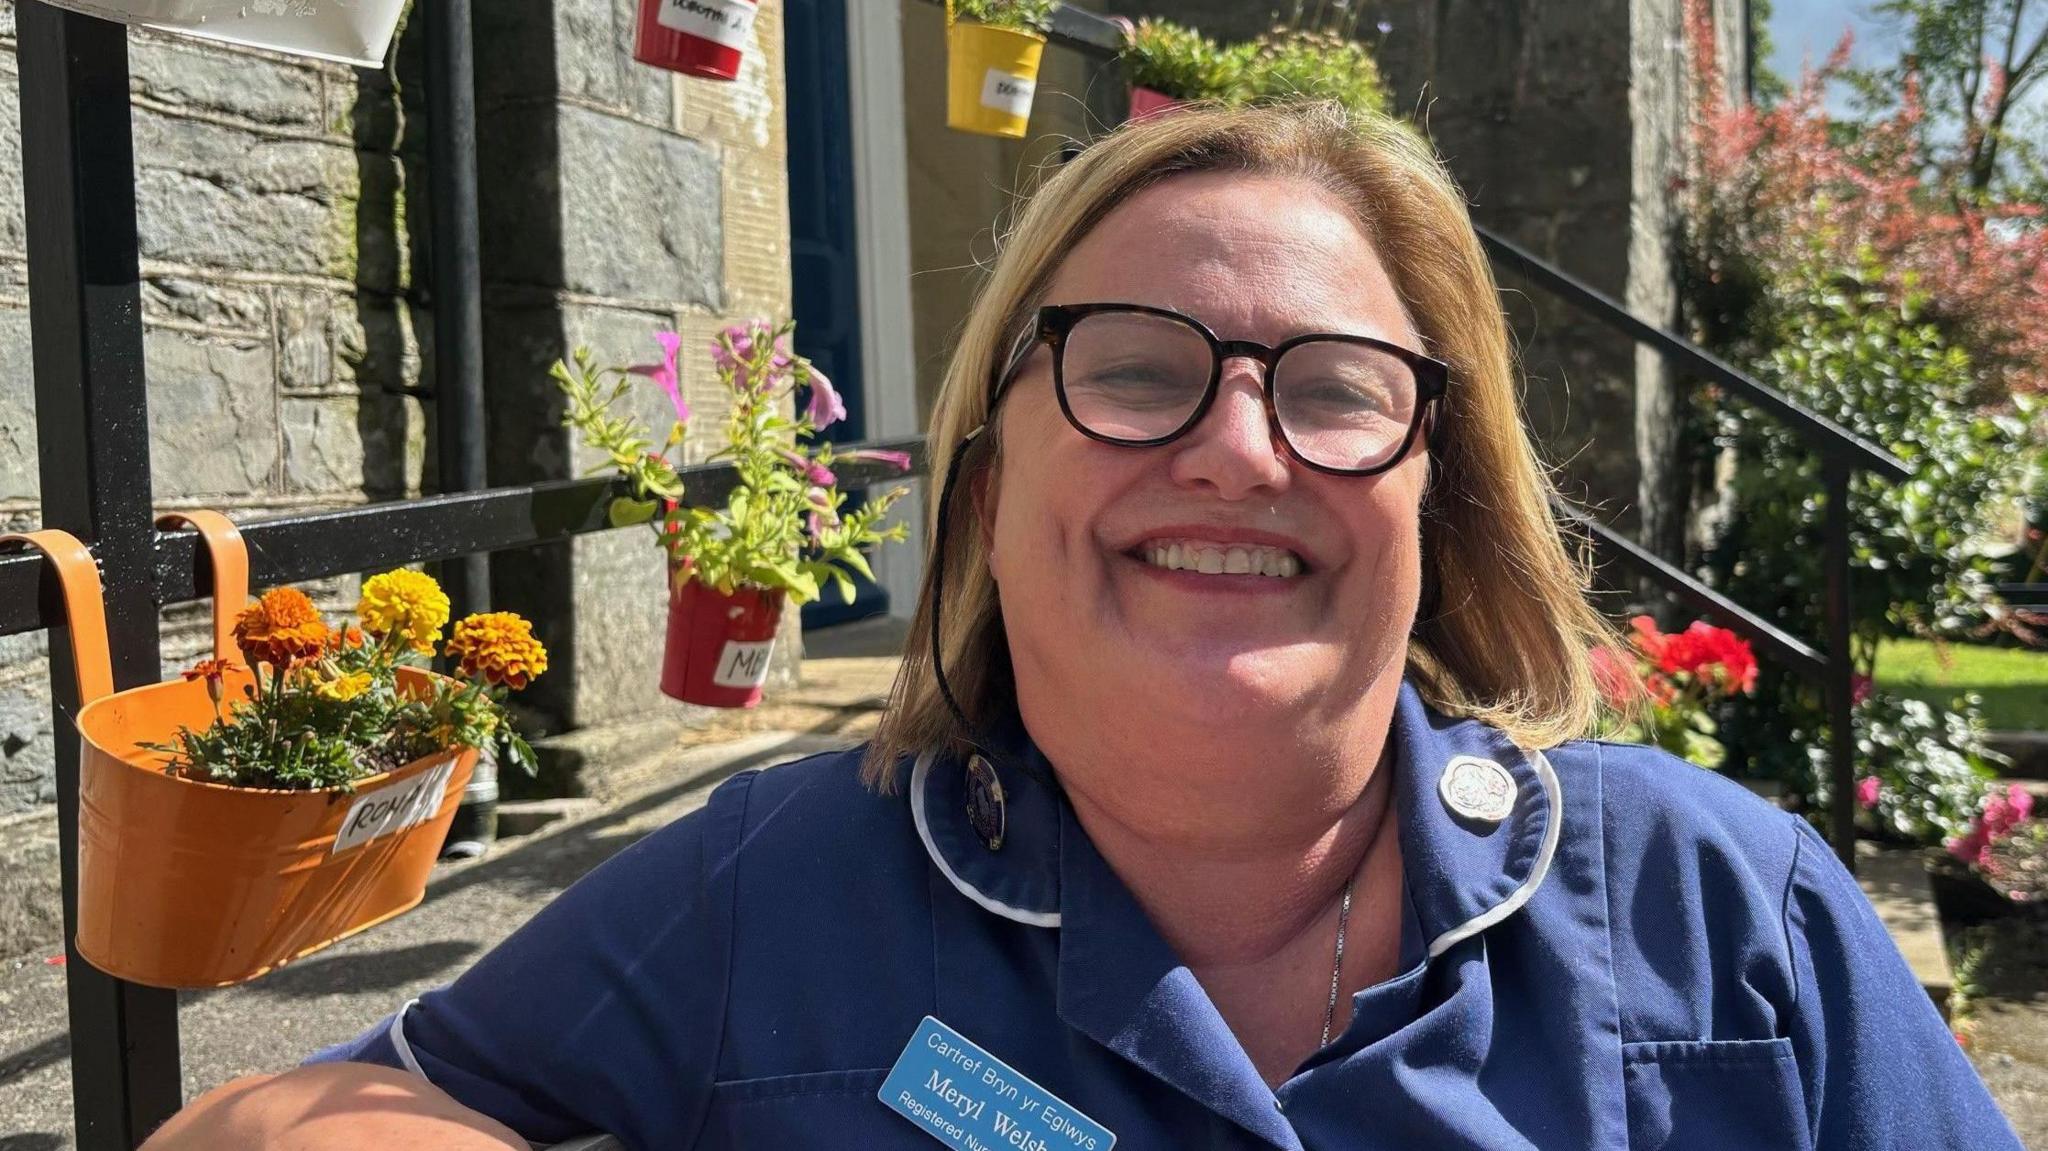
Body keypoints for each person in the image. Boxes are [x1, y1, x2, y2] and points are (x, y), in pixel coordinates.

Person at [144, 102, 2020, 1151]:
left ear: (1437, 489)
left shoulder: (1726, 909)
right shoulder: (774, 889)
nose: (1232, 447)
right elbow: (272, 1126)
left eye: (1338, 387)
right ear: (984, 483)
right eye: (1132, 370)